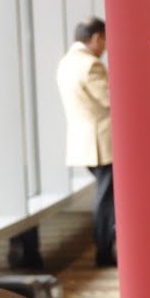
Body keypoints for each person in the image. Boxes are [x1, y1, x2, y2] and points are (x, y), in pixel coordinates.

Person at [56, 16, 116, 267]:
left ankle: (105, 250)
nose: (104, 47)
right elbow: (111, 99)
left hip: (85, 142)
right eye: (104, 40)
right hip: (101, 143)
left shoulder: (66, 63)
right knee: (106, 200)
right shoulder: (90, 65)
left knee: (105, 197)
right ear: (95, 38)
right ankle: (104, 252)